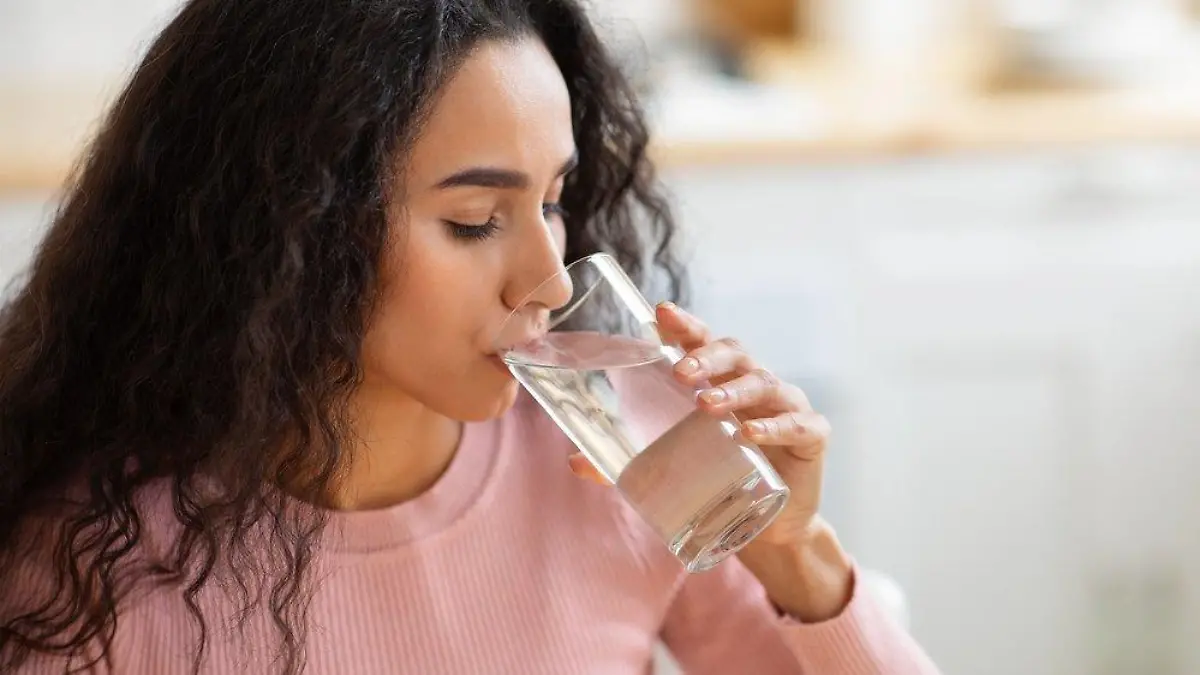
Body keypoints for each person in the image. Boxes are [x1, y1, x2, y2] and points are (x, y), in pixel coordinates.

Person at [0, 1, 941, 673]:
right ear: (285, 227)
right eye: (474, 219)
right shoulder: (89, 567)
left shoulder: (626, 469)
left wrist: (796, 553)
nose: (546, 275)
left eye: (553, 201)